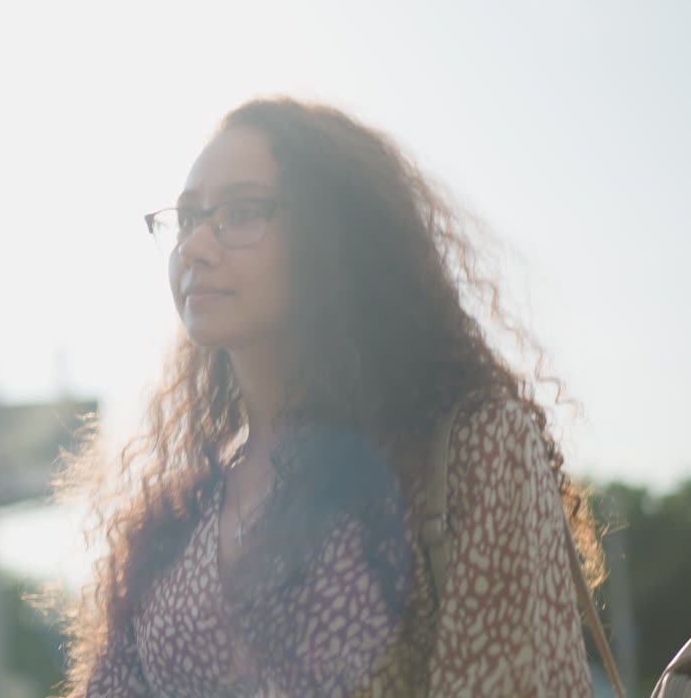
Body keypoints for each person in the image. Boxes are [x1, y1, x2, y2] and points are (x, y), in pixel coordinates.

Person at [57, 97, 603, 697]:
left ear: (334, 236)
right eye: (187, 219)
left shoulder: (470, 450)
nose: (195, 247)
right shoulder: (167, 521)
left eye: (239, 214)